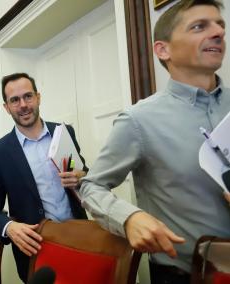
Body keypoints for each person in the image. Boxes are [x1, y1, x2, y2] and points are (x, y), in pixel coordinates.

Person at [79, 1, 230, 284]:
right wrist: (128, 218)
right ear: (163, 50)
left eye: (219, 25)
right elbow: (91, 186)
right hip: (183, 275)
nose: (218, 33)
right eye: (199, 26)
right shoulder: (138, 120)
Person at [0, 72, 88, 282]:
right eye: (14, 100)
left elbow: (84, 173)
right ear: (6, 107)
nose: (23, 105)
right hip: (36, 248)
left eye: (28, 96)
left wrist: (81, 176)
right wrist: (9, 227)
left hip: (81, 239)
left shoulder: (65, 132)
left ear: (38, 97)